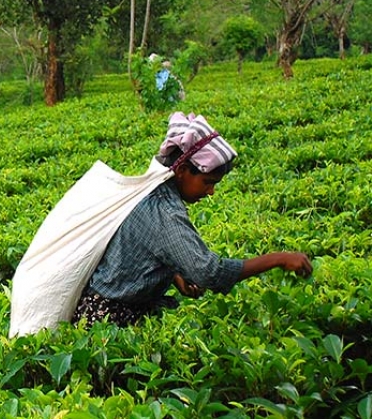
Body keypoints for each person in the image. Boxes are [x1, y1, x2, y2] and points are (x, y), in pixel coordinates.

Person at [71, 112, 313, 327]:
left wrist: (175, 275)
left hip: (106, 307)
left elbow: (139, 249)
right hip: (108, 319)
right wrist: (278, 259)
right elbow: (209, 273)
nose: (211, 192)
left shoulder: (151, 190)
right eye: (207, 183)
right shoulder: (165, 210)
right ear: (182, 170)